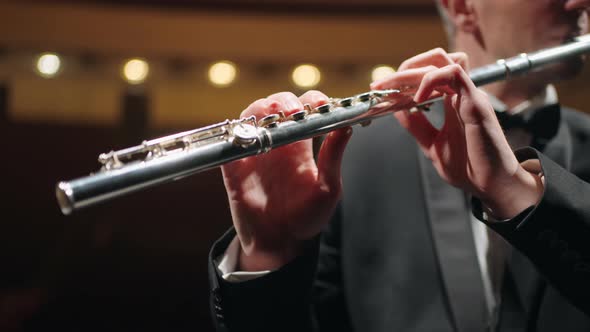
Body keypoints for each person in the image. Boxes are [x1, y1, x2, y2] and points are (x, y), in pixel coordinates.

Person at [208, 0, 590, 331]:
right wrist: (270, 257)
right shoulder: (358, 155)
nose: (578, 3)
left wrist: (513, 189)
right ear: (462, 7)